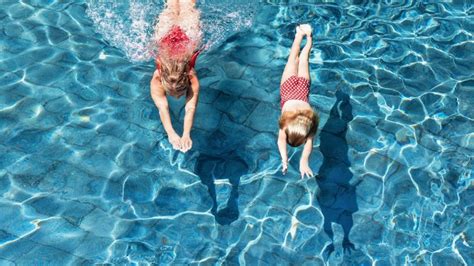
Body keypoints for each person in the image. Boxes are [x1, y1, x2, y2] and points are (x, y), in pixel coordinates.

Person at [150, 0, 202, 152]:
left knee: (186, 5)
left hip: (188, 36)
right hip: (164, 35)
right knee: (174, 5)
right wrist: (174, 134)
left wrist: (183, 134)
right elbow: (166, 107)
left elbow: (187, 108)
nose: (179, 97)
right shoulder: (158, 76)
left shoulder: (191, 76)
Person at [278, 24, 319, 178]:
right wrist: (284, 159)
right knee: (293, 59)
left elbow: (309, 144)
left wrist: (304, 160)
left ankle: (308, 37)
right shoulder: (285, 124)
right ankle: (298, 36)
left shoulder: (309, 123)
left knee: (303, 59)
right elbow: (281, 142)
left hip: (303, 89)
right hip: (287, 89)